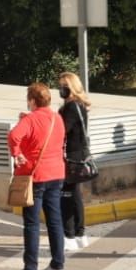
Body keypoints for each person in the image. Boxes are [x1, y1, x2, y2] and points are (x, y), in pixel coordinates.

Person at [7, 81, 67, 270]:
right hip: (57, 173)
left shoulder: (30, 119)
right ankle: (58, 265)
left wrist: (17, 153)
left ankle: (30, 268)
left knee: (32, 223)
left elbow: (14, 135)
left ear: (32, 100)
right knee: (55, 221)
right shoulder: (57, 118)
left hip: (36, 175)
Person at [56, 70, 92, 251]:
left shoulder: (70, 107)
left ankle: (69, 236)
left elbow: (62, 130)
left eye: (64, 86)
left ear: (72, 88)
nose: (61, 90)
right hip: (80, 155)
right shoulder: (80, 105)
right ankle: (80, 234)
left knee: (67, 196)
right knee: (75, 195)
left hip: (71, 157)